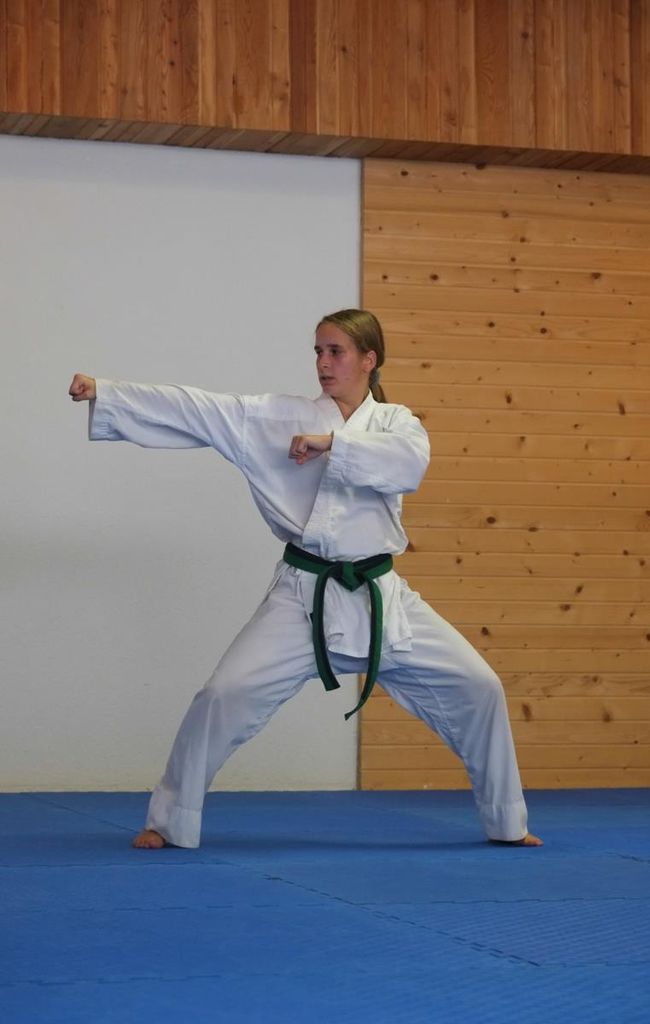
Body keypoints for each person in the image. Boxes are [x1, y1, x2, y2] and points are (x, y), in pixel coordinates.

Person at [69, 309, 542, 850]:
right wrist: (107, 392)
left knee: (479, 687)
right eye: (318, 351)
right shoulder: (277, 417)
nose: (323, 362)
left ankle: (507, 822)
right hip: (303, 595)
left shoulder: (396, 422)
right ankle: (169, 820)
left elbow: (409, 465)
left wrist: (333, 444)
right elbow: (199, 408)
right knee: (224, 694)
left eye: (336, 351)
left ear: (369, 359)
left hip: (382, 598)